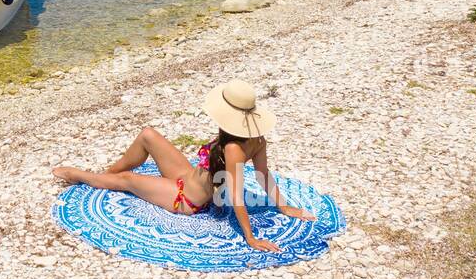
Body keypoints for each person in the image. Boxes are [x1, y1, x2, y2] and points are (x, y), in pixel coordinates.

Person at [52, 79, 315, 252]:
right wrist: (282, 205)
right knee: (148, 135)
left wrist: (251, 237)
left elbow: (237, 194)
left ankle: (80, 176)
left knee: (128, 181)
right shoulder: (256, 139)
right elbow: (263, 175)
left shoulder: (234, 148)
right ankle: (108, 173)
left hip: (185, 198)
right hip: (186, 176)